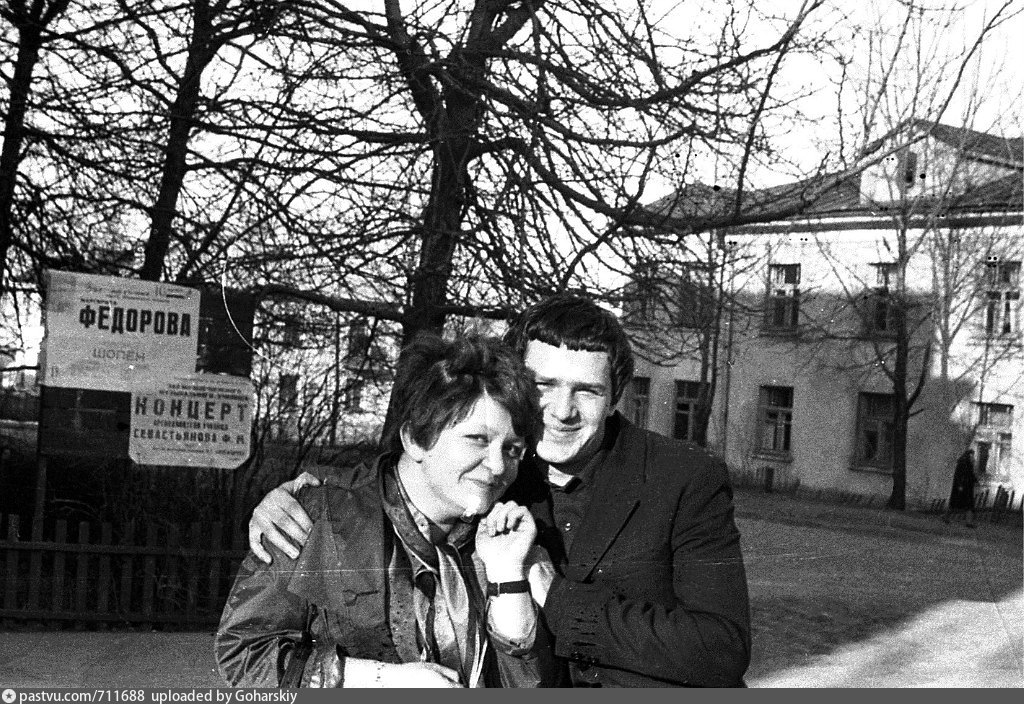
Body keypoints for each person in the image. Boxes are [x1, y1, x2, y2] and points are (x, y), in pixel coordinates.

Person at [249, 294, 752, 687]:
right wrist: (297, 500)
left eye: (587, 391)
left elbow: (722, 649)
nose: (562, 411)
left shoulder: (683, 477)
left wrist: (557, 597)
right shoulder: (498, 470)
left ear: (616, 397)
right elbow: (408, 471)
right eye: (543, 386)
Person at [215, 333, 556, 688]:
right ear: (415, 439)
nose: (498, 466)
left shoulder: (503, 537)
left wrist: (508, 579)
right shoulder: (316, 517)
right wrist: (381, 679)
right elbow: (243, 653)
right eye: (477, 440)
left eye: (512, 449)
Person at [943, 448, 978, 527]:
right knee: (957, 504)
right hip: (963, 487)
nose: (973, 457)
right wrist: (960, 485)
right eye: (972, 455)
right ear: (969, 455)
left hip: (967, 487)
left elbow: (970, 474)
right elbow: (959, 475)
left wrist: (975, 480)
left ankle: (968, 522)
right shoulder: (963, 463)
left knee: (968, 505)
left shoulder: (968, 463)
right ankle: (946, 516)